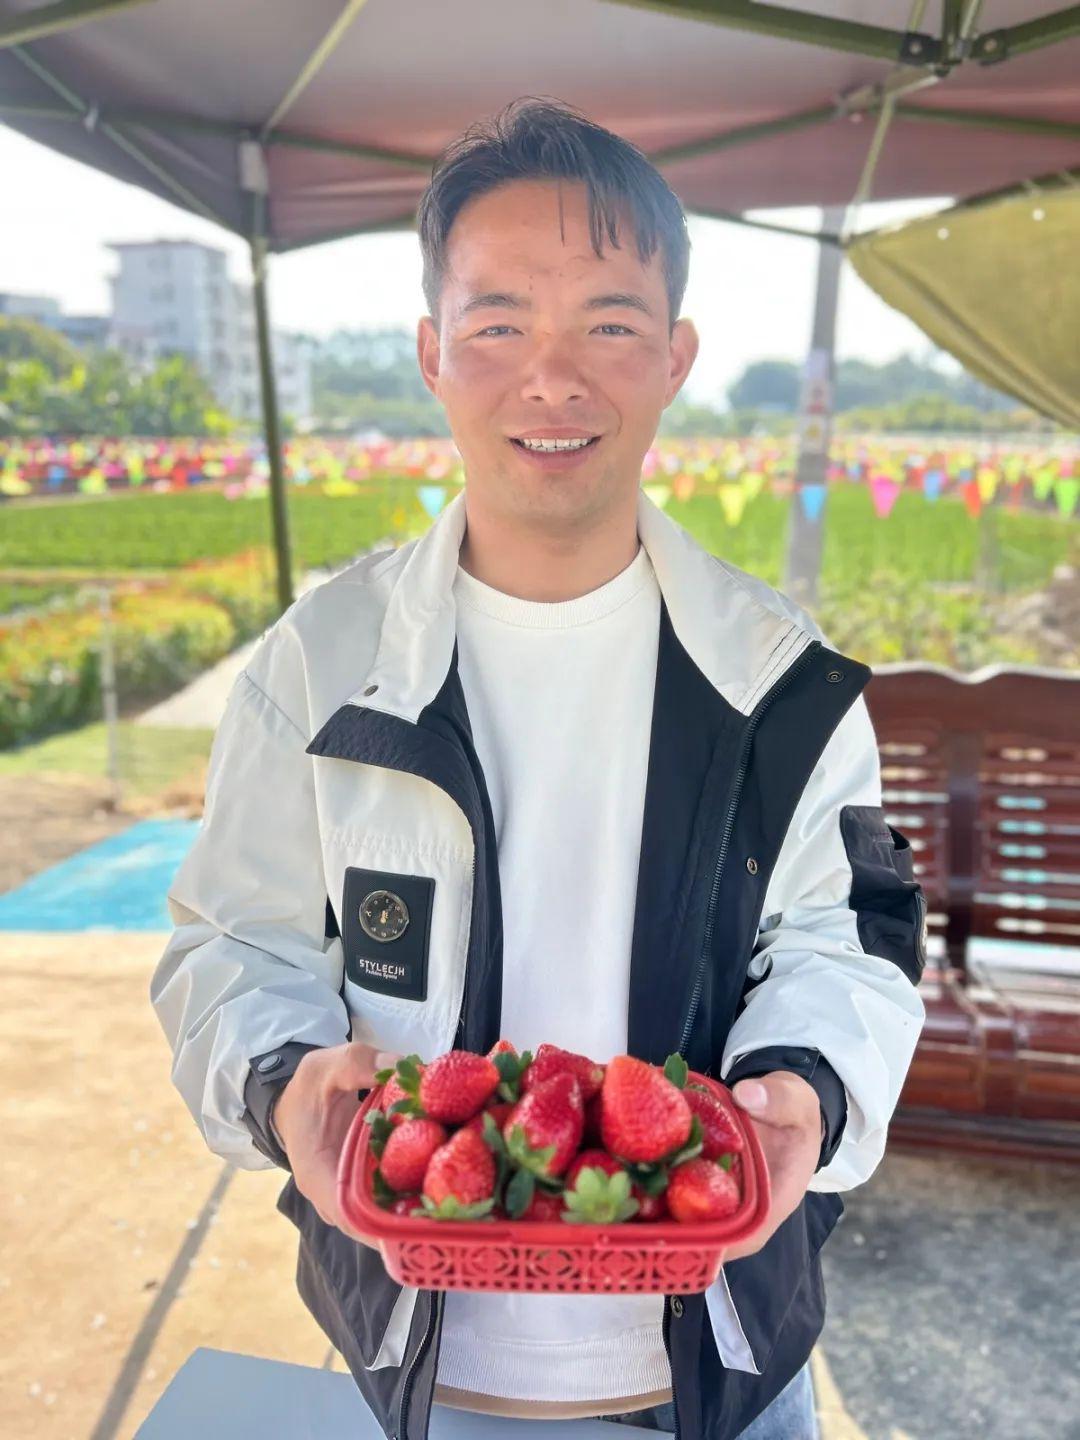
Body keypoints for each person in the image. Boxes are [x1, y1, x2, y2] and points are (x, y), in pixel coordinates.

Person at [150, 96, 927, 1440]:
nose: (552, 379)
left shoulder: (779, 683)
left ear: (675, 355)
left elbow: (845, 945)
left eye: (609, 326)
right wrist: (286, 1087)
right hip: (419, 1358)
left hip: (720, 1365)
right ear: (432, 353)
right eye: (499, 325)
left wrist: (803, 1085)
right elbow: (231, 945)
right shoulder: (323, 669)